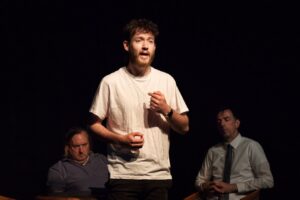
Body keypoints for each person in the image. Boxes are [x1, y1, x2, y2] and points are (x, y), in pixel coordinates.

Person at [88, 18, 189, 200]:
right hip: (123, 175)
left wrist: (167, 109)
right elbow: (94, 125)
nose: (145, 46)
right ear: (127, 46)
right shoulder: (111, 82)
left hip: (158, 175)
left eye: (150, 41)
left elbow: (184, 127)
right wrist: (120, 139)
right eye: (139, 40)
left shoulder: (166, 80)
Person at [195, 107, 274, 200]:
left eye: (226, 119)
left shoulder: (251, 146)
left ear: (237, 123)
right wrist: (205, 186)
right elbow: (199, 180)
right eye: (219, 121)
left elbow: (268, 181)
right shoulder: (213, 151)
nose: (222, 124)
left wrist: (233, 187)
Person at [47, 127, 109, 198]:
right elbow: (55, 198)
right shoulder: (58, 170)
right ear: (68, 148)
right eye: (76, 146)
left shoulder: (102, 160)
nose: (81, 151)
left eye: (84, 145)